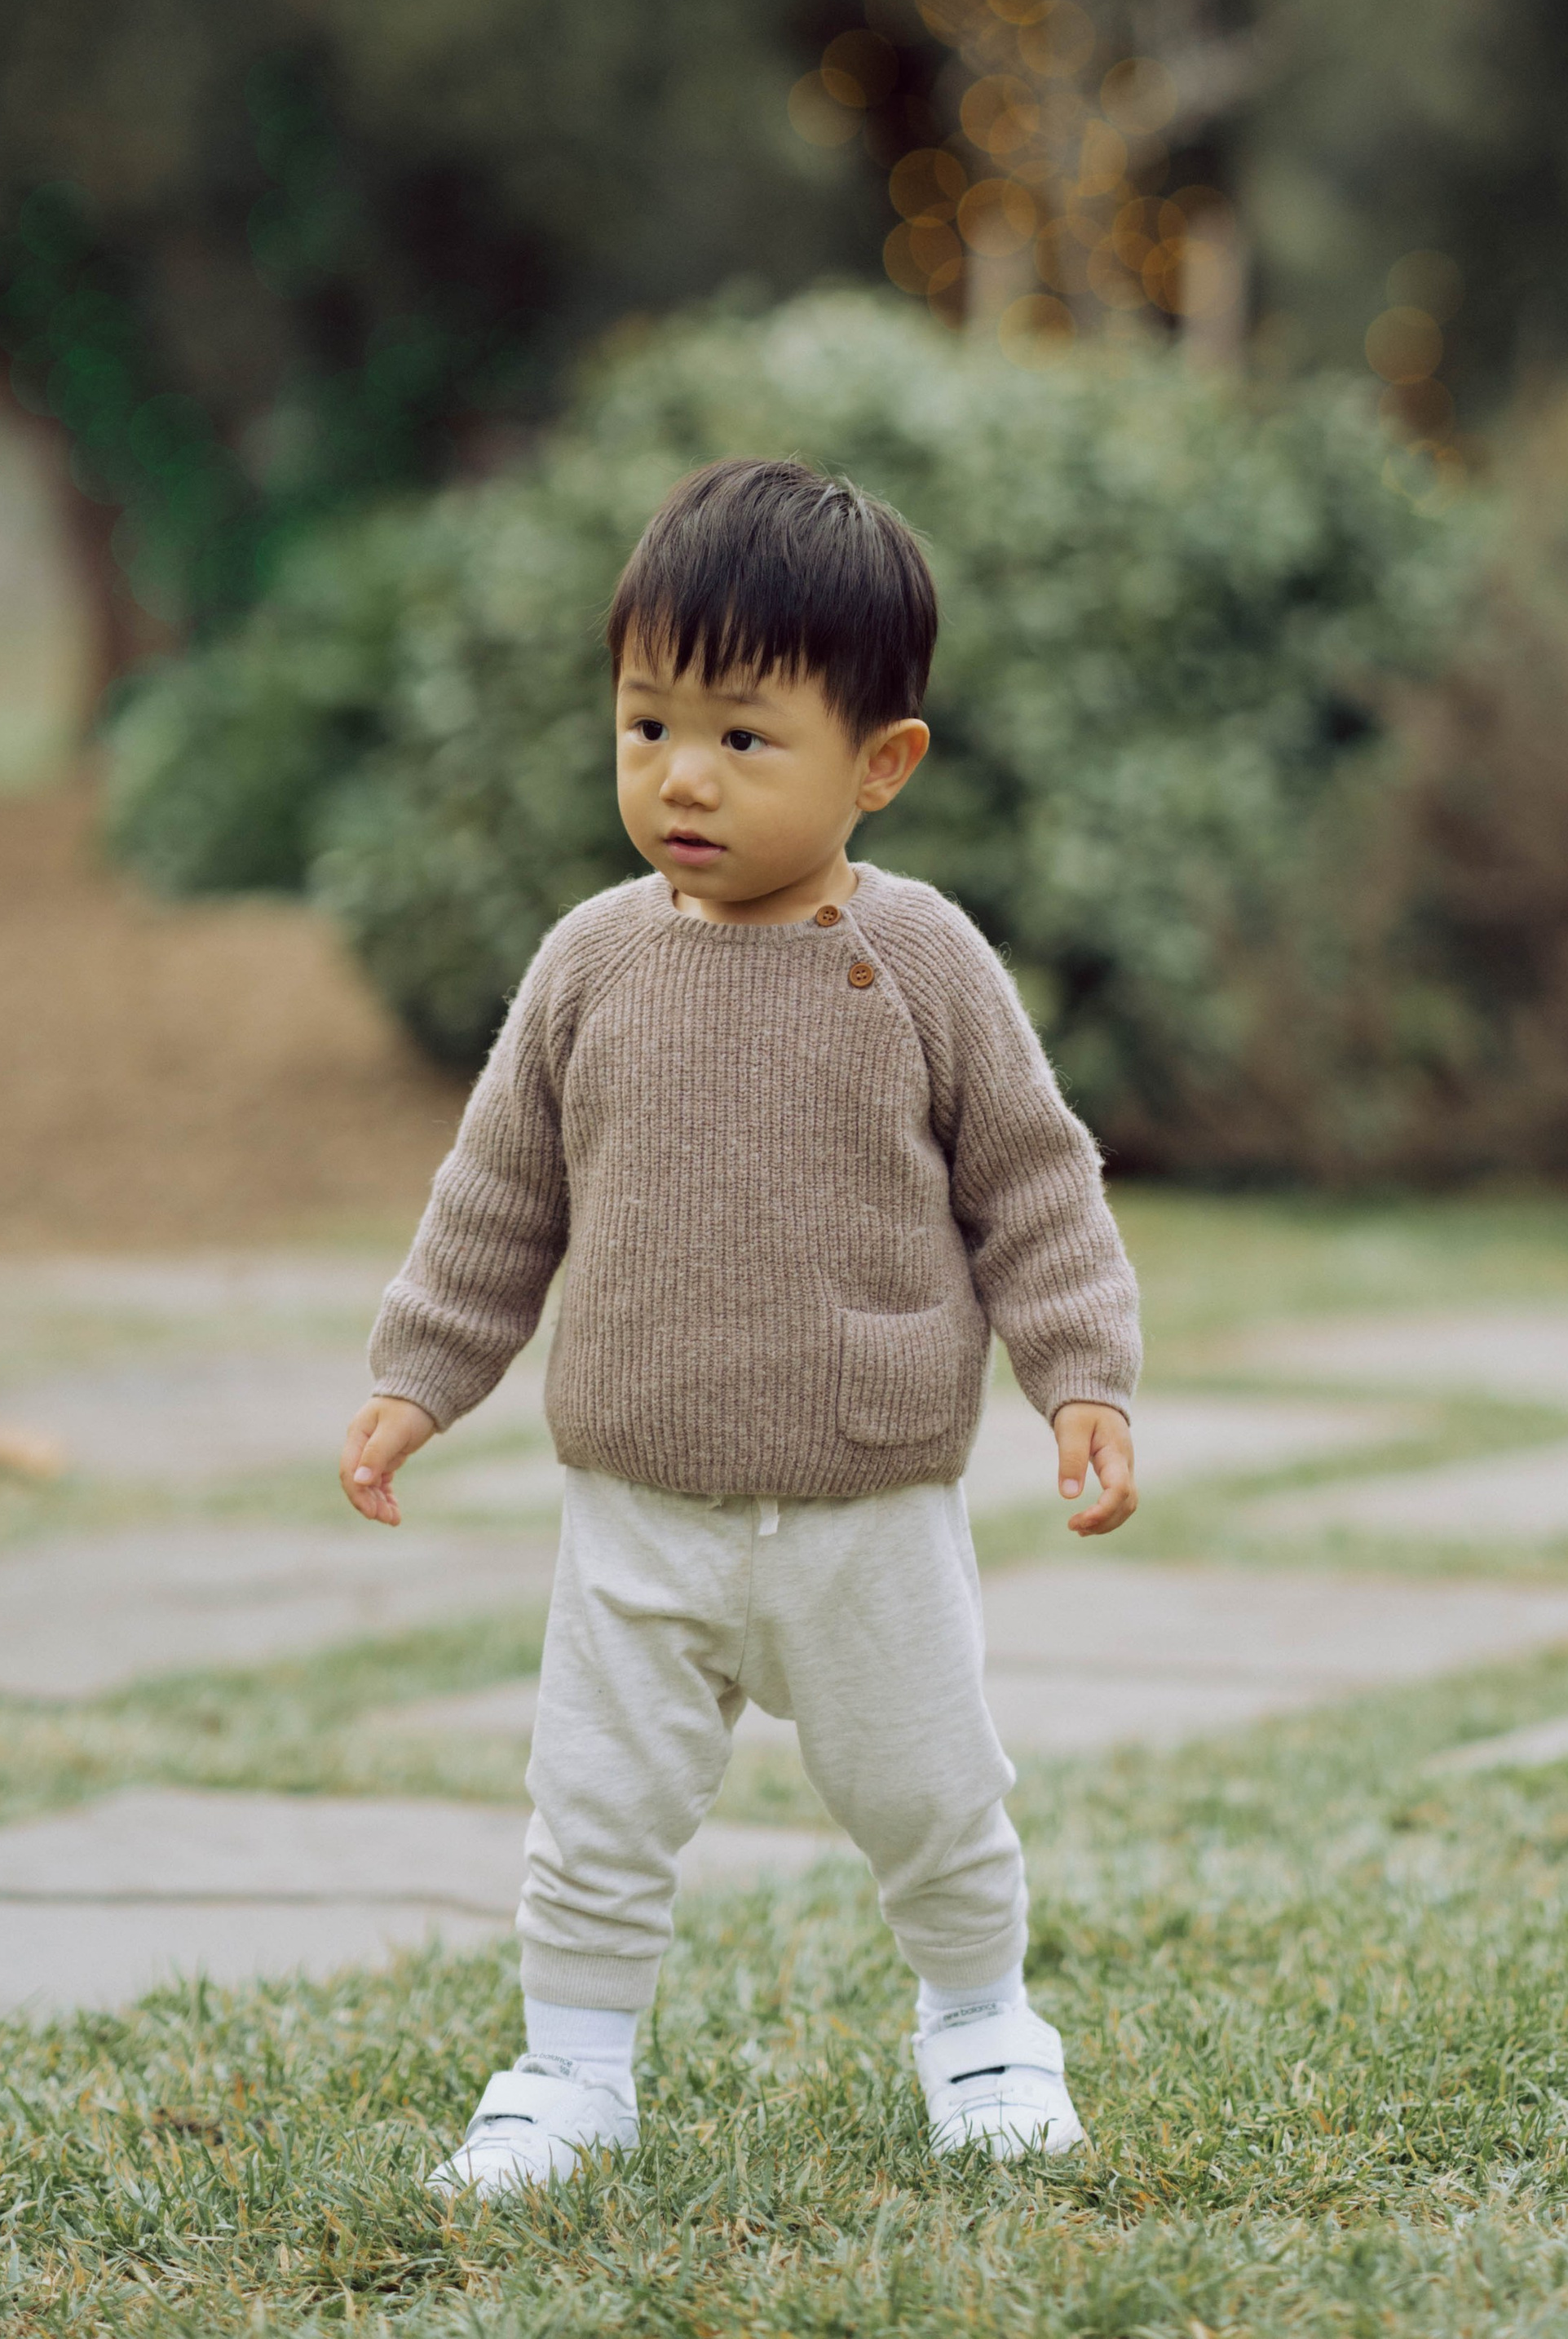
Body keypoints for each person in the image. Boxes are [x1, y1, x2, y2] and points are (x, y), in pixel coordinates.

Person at [340, 456, 1141, 2200]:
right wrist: (418, 1379)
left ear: (880, 762)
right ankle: (569, 2065)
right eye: (644, 725)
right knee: (595, 1812)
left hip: (866, 1509)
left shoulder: (921, 962)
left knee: (934, 1796)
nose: (678, 775)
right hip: (637, 1507)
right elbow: (498, 1200)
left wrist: (1080, 1380)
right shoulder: (588, 964)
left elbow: (1035, 1186)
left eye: (739, 736)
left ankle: (983, 2019)